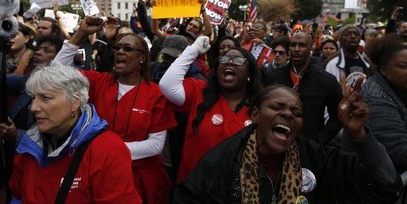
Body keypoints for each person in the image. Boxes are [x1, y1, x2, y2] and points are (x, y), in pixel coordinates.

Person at [174, 84, 401, 204]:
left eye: (296, 112)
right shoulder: (221, 161)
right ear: (255, 114)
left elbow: (385, 187)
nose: (288, 115)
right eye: (277, 107)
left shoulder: (317, 157)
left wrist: (358, 134)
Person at [55, 16, 176, 204]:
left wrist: (106, 151)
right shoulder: (98, 82)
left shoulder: (156, 94)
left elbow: (155, 145)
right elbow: (56, 72)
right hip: (98, 173)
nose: (120, 51)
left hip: (140, 180)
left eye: (127, 49)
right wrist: (80, 34)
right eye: (117, 48)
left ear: (142, 57)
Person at [9, 63, 141, 203]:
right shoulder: (29, 144)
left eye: (45, 98)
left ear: (75, 102)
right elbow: (18, 196)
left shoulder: (107, 150)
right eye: (33, 98)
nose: (34, 107)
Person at [159, 36, 262, 182]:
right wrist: (193, 50)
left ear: (250, 74)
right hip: (194, 189)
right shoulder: (199, 91)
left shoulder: (260, 106)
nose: (229, 63)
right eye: (224, 60)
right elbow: (167, 85)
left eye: (238, 61)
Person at [263, 31, 343, 144]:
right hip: (277, 144)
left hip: (310, 148)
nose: (296, 49)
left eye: (302, 45)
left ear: (310, 48)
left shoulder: (326, 80)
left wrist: (320, 139)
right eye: (293, 45)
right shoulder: (273, 77)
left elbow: (337, 117)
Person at [359, 34, 407, 173]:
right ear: (384, 70)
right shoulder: (375, 97)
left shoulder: (400, 87)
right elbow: (399, 151)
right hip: (377, 185)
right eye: (403, 66)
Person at [325, 25, 372, 91]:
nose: (353, 36)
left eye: (356, 34)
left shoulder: (368, 63)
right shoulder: (331, 63)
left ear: (359, 40)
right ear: (340, 40)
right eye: (347, 34)